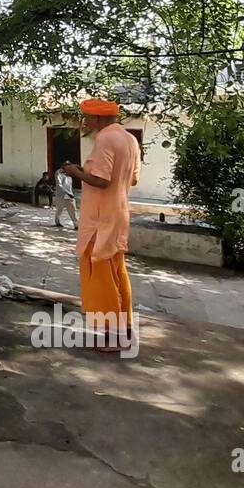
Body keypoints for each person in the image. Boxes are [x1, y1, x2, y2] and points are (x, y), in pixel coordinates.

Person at [62, 99, 141, 351]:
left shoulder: (105, 139)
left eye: (87, 118)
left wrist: (75, 172)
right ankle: (125, 329)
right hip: (118, 214)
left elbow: (101, 180)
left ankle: (112, 336)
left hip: (100, 220)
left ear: (97, 119)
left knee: (100, 276)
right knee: (117, 272)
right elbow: (134, 179)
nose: (85, 122)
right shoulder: (130, 140)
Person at [52, 165, 77, 229]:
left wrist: (70, 193)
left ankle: (76, 225)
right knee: (59, 210)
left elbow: (69, 186)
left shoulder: (69, 174)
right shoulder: (59, 173)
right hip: (61, 195)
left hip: (69, 195)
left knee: (73, 209)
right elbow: (59, 185)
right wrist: (67, 193)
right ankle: (57, 221)